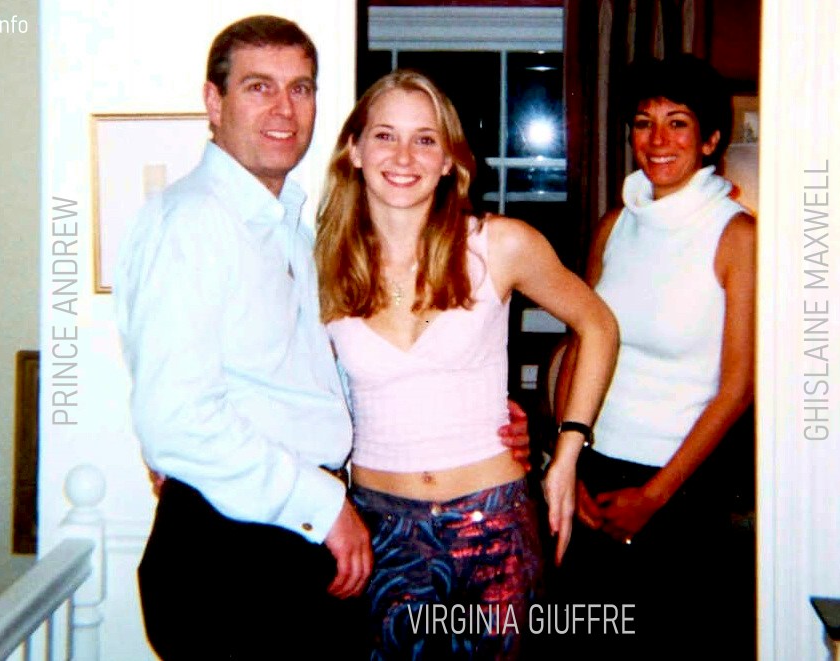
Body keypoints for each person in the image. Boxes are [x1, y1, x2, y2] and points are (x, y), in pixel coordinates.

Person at [115, 16, 529, 660]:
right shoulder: (192, 222)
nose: (284, 109)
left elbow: (314, 381)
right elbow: (174, 420)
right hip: (235, 551)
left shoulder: (293, 232)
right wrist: (324, 505)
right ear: (213, 101)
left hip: (293, 539)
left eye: (301, 88)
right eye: (259, 87)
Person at [314, 70, 619, 659]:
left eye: (426, 139)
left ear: (451, 160)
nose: (404, 156)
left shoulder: (499, 245)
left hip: (494, 529)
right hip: (378, 535)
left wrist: (567, 450)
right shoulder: (321, 265)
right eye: (385, 135)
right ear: (354, 150)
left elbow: (598, 324)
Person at [552, 54, 756, 657]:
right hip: (594, 478)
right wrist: (572, 459)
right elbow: (581, 345)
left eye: (678, 122)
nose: (657, 140)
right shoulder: (616, 225)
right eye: (643, 123)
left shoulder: (736, 235)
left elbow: (738, 388)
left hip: (680, 492)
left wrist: (656, 497)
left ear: (711, 138)